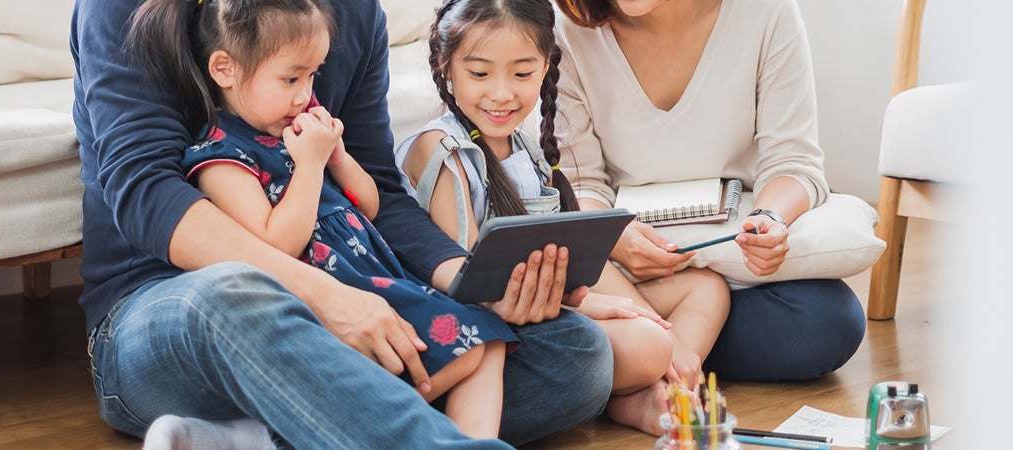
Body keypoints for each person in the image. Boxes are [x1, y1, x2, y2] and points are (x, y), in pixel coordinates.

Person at [72, 0, 615, 446]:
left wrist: (474, 284)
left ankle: (245, 439)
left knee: (576, 355)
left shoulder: (353, 14)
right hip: (172, 306)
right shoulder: (118, 10)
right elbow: (144, 192)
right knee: (231, 293)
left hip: (351, 289)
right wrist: (325, 299)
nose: (307, 91)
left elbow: (378, 190)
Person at [394, 0, 728, 435]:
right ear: (446, 64)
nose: (501, 93)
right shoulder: (441, 151)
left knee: (707, 289)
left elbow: (566, 255)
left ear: (546, 66)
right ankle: (647, 382)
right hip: (497, 319)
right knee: (649, 343)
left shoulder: (526, 149)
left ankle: (650, 388)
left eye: (521, 73)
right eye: (479, 74)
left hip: (554, 300)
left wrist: (605, 302)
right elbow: (471, 288)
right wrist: (592, 304)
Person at [549, 0, 867, 381]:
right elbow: (578, 182)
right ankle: (667, 357)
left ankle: (634, 356)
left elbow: (792, 161)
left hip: (729, 255)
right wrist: (614, 236)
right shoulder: (566, 26)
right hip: (622, 264)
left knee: (827, 321)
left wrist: (769, 217)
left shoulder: (766, 12)